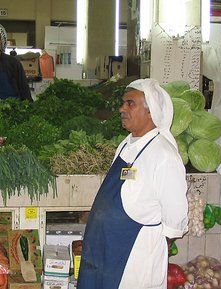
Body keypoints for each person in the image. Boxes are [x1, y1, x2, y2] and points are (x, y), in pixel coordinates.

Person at [77, 78, 188, 289]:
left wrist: (151, 246)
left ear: (150, 111)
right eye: (123, 103)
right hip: (104, 249)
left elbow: (176, 216)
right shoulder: (126, 144)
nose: (122, 109)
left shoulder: (163, 155)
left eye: (130, 103)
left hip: (134, 258)